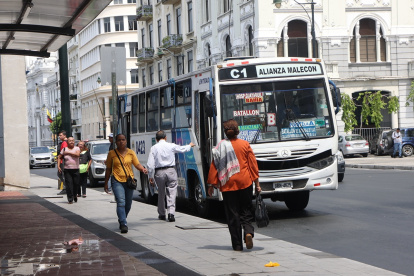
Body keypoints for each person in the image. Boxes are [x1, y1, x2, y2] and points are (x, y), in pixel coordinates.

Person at [207, 119, 261, 251]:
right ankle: (248, 232)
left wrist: (211, 184)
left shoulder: (220, 146)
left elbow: (215, 166)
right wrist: (257, 183)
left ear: (226, 132)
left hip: (228, 184)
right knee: (246, 210)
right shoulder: (245, 144)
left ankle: (237, 245)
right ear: (237, 131)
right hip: (245, 181)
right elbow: (252, 165)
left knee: (233, 214)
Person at [147, 130, 195, 222]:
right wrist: (190, 145)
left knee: (161, 194)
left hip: (159, 172)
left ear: (156, 139)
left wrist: (150, 176)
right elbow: (181, 149)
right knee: (172, 193)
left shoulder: (153, 148)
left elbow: (150, 165)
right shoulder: (171, 145)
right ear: (165, 138)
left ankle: (161, 214)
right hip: (171, 171)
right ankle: (171, 214)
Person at [104, 134, 148, 233]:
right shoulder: (112, 153)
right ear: (116, 142)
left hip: (129, 181)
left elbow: (137, 164)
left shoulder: (131, 153)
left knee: (128, 204)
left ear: (126, 141)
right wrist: (106, 182)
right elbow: (108, 169)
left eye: (123, 140)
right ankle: (123, 223)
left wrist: (143, 169)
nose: (121, 142)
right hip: (116, 180)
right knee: (121, 202)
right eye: (119, 140)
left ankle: (122, 218)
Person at [57, 137, 80, 204]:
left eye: (72, 140)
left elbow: (77, 155)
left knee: (76, 184)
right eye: (70, 141)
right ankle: (70, 199)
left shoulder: (77, 148)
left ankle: (75, 195)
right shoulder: (64, 149)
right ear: (67, 142)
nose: (71, 142)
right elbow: (59, 157)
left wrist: (68, 153)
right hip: (67, 169)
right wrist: (58, 166)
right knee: (69, 185)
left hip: (76, 169)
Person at [57, 130, 68, 195]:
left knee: (61, 174)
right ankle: (66, 187)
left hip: (63, 161)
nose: (59, 136)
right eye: (59, 135)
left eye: (61, 135)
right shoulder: (63, 142)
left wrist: (59, 159)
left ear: (64, 135)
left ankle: (65, 188)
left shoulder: (64, 143)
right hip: (62, 160)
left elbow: (62, 153)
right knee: (61, 174)